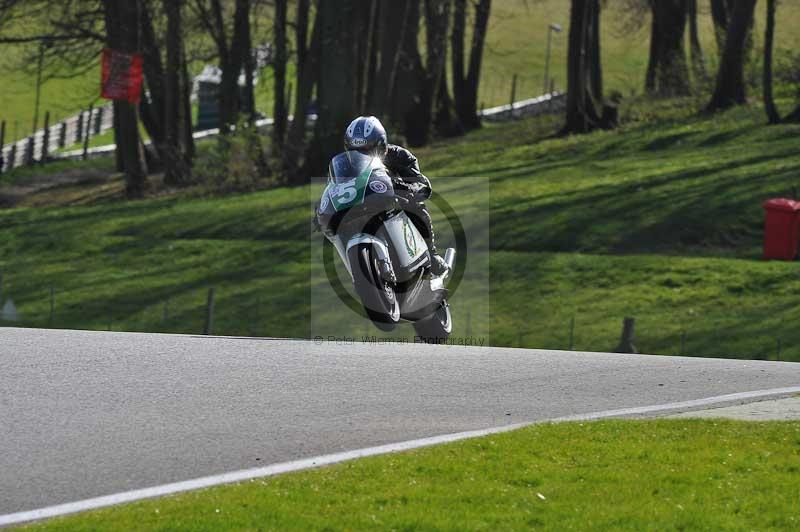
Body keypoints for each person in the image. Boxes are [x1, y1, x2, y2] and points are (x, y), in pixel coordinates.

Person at [343, 115, 448, 276]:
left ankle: (431, 253)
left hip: (394, 204)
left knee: (417, 205)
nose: (362, 157)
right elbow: (334, 188)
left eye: (368, 150)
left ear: (382, 145)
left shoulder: (400, 156)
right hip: (360, 209)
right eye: (356, 151)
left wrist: (407, 187)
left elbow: (421, 183)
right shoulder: (344, 166)